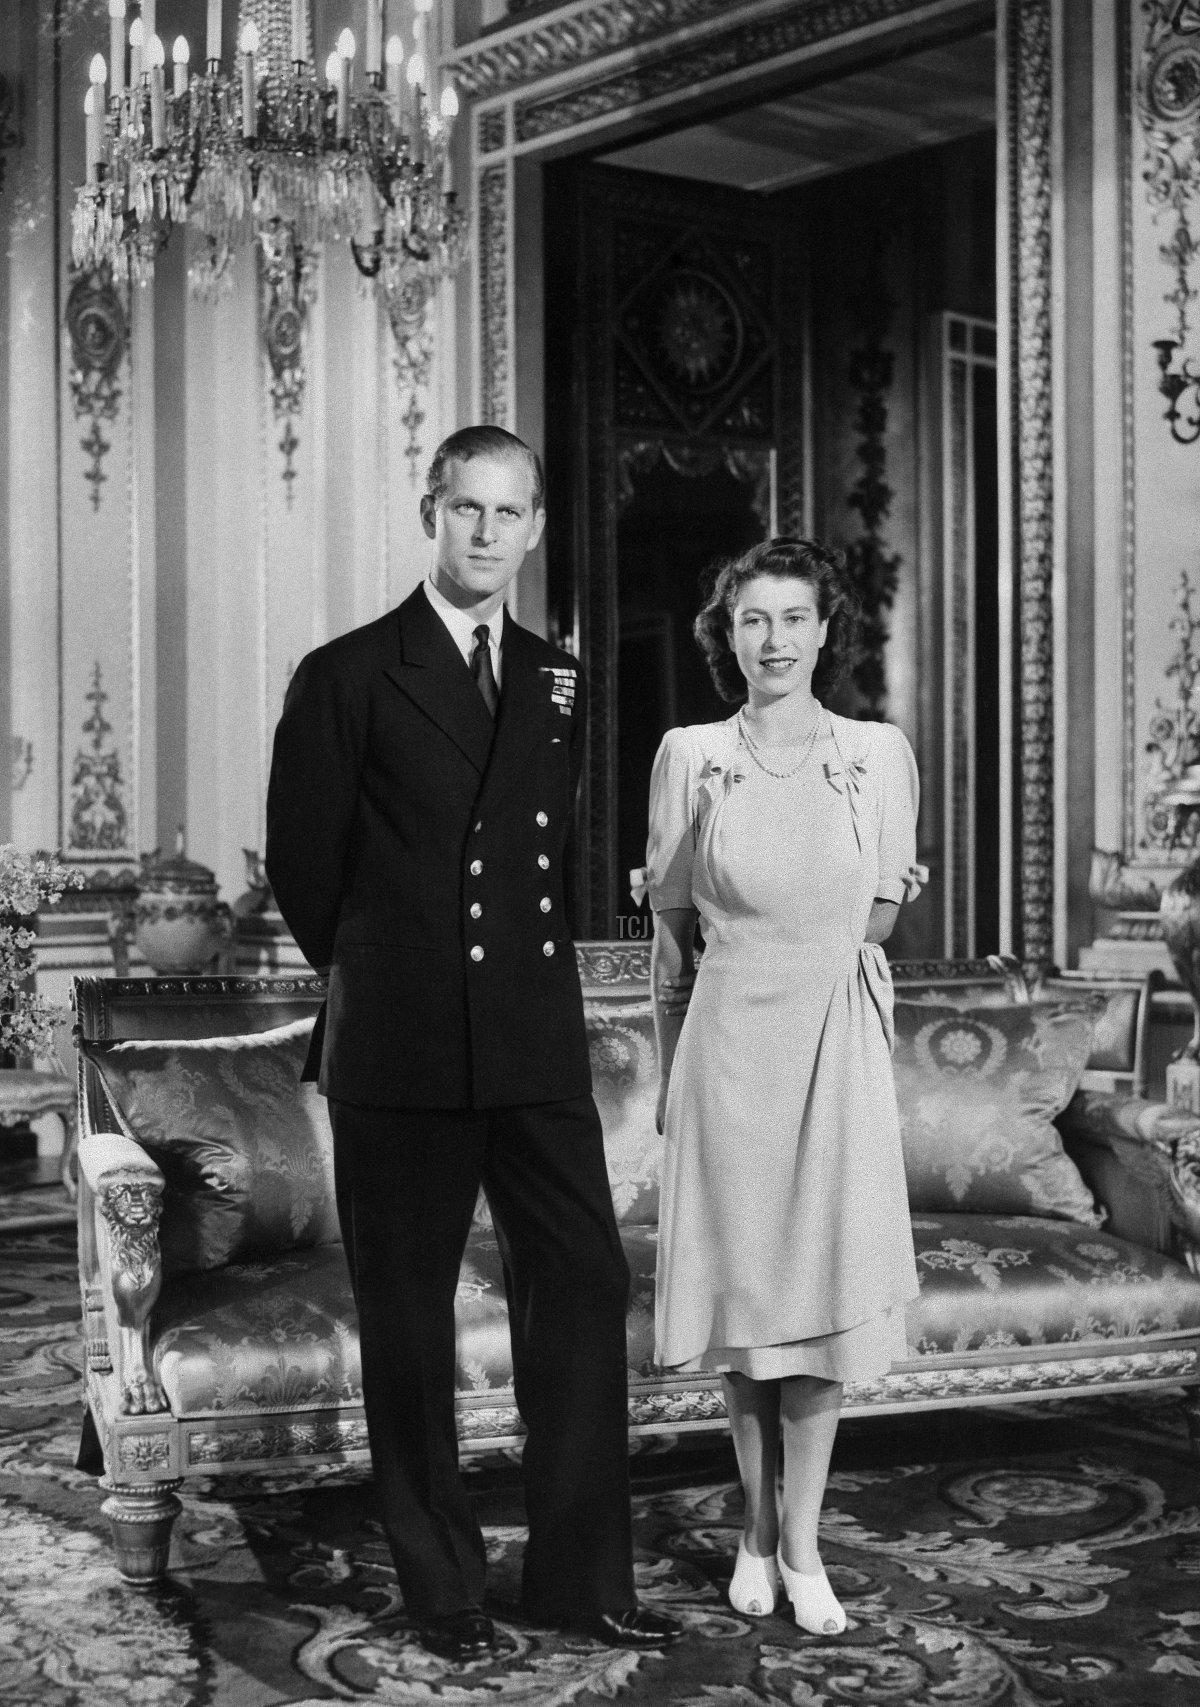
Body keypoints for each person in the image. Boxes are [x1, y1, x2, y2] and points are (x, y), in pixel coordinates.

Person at [266, 425, 681, 1665]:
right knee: (407, 1321)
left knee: (588, 1281)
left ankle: (577, 1578)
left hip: (531, 1044)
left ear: (536, 528)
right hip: (402, 1048)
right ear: (431, 513)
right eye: (466, 511)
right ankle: (443, 1589)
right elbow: (305, 869)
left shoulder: (556, 678)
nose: (486, 535)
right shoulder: (348, 673)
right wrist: (393, 974)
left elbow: (557, 853)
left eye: (509, 515)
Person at [644, 536, 924, 1637]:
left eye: (793, 617)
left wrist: (824, 970)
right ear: (728, 634)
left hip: (835, 1043)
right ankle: (754, 1534)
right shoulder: (689, 754)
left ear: (823, 631)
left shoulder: (877, 752)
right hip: (726, 1053)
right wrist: (675, 1077)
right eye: (752, 619)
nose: (774, 640)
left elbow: (883, 911)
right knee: (751, 1315)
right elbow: (672, 929)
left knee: (820, 1312)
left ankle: (802, 1546)